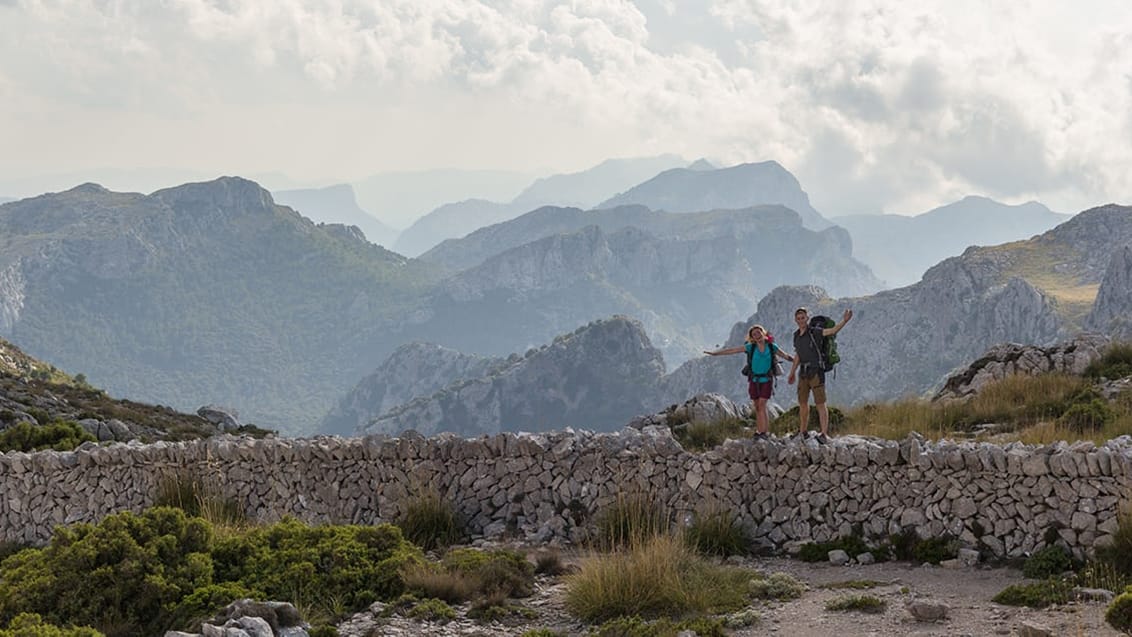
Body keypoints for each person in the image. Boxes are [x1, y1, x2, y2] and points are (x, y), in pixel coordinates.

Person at [704, 325, 795, 439]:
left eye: (758, 332)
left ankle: (763, 432)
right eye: (754, 334)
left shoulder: (772, 347)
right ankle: (760, 430)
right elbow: (733, 350)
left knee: (762, 405)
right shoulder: (750, 347)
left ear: (763, 333)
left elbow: (786, 356)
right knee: (757, 406)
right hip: (754, 380)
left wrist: (797, 360)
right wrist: (715, 353)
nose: (757, 335)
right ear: (752, 338)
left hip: (766, 380)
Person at [787, 307, 852, 443]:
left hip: (816, 372)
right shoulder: (796, 336)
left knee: (820, 404)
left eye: (803, 318)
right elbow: (798, 355)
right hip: (803, 374)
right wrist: (792, 372)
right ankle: (803, 431)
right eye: (798, 318)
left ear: (807, 318)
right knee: (803, 403)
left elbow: (832, 331)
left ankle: (823, 433)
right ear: (795, 320)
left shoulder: (815, 332)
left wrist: (844, 321)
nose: (801, 320)